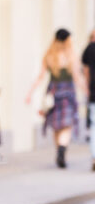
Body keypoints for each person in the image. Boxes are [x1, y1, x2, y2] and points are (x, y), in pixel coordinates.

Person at [25, 28, 85, 168]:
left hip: (53, 93)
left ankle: (59, 149)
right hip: (68, 94)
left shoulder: (49, 55)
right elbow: (77, 78)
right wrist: (86, 91)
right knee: (67, 125)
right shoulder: (71, 56)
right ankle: (62, 150)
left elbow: (40, 77)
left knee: (57, 125)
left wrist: (30, 93)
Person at [82, 28, 95, 172]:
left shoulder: (88, 50)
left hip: (93, 93)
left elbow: (85, 72)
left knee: (94, 127)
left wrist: (87, 88)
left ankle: (94, 157)